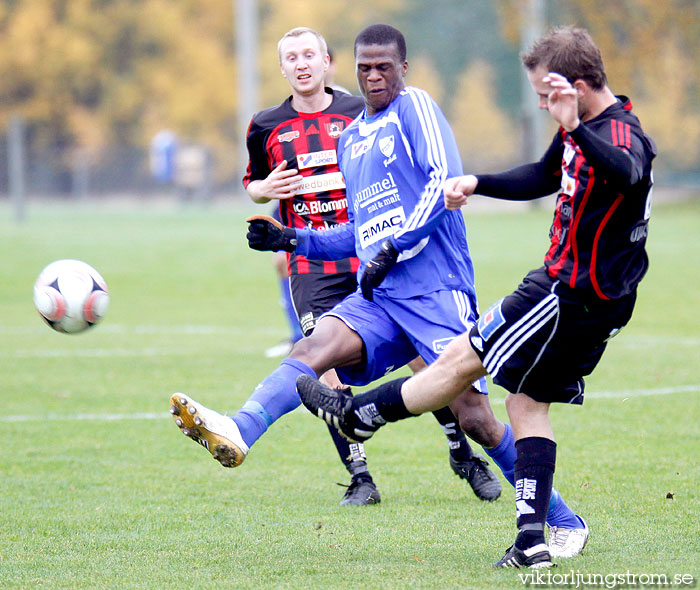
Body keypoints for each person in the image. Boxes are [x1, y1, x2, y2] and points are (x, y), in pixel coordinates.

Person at [297, 26, 656, 568]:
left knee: (459, 361)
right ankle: (535, 538)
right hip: (585, 296)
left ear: (575, 87)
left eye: (545, 95)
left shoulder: (617, 134)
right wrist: (477, 182)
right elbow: (541, 175)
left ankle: (359, 415)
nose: (541, 104)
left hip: (568, 293)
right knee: (524, 403)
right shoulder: (585, 129)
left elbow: (627, 173)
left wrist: (575, 128)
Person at [237, 22, 586, 543]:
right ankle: (238, 429)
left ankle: (560, 518)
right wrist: (291, 238)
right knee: (319, 344)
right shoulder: (352, 137)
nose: (373, 76)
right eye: (365, 67)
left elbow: (441, 182)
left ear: (402, 68)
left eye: (383, 66)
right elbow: (357, 233)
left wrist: (394, 249)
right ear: (353, 69)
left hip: (435, 288)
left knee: (475, 418)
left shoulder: (415, 107)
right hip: (380, 294)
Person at [169, 26, 500, 505]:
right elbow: (254, 182)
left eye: (310, 55)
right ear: (281, 68)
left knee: (445, 381)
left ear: (328, 63)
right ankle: (346, 470)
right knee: (318, 359)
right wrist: (276, 219)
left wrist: (395, 242)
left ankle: (465, 454)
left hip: (386, 265)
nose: (301, 64)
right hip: (315, 265)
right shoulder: (266, 125)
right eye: (291, 57)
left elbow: (425, 184)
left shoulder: (366, 114)